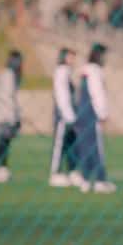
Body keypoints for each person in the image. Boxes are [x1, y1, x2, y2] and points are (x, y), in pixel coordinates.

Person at [73, 43, 116, 194]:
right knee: (96, 148)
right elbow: (97, 94)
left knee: (85, 147)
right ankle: (100, 180)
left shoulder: (84, 71)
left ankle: (85, 180)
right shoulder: (95, 71)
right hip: (92, 114)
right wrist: (103, 114)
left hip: (82, 113)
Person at [0, 50, 23, 184]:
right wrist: (14, 117)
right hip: (5, 115)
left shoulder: (4, 74)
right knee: (2, 142)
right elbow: (8, 97)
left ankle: (2, 168)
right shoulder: (9, 75)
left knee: (5, 143)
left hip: (1, 114)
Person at [49, 47, 82, 188]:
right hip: (64, 117)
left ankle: (72, 171)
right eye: (70, 57)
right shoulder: (61, 72)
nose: (73, 60)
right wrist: (69, 116)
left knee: (72, 144)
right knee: (60, 145)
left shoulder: (67, 73)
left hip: (71, 116)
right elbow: (62, 96)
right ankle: (55, 173)